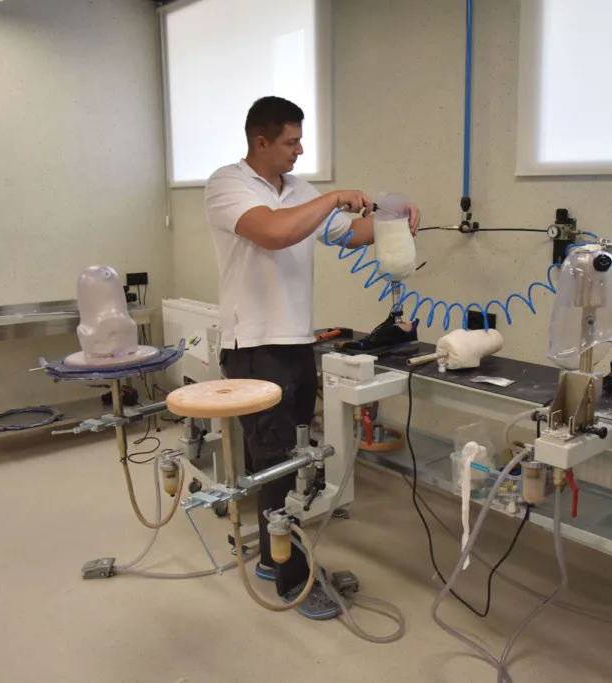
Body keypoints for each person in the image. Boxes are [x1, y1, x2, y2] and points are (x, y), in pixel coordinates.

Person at [203, 96, 420, 619]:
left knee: (288, 459)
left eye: (301, 140)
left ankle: (272, 560)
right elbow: (275, 233)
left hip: (297, 342)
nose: (300, 150)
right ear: (261, 141)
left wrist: (396, 222)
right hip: (252, 346)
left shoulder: (300, 191)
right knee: (278, 464)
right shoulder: (226, 185)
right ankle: (293, 582)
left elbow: (349, 233)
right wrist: (335, 198)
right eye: (291, 141)